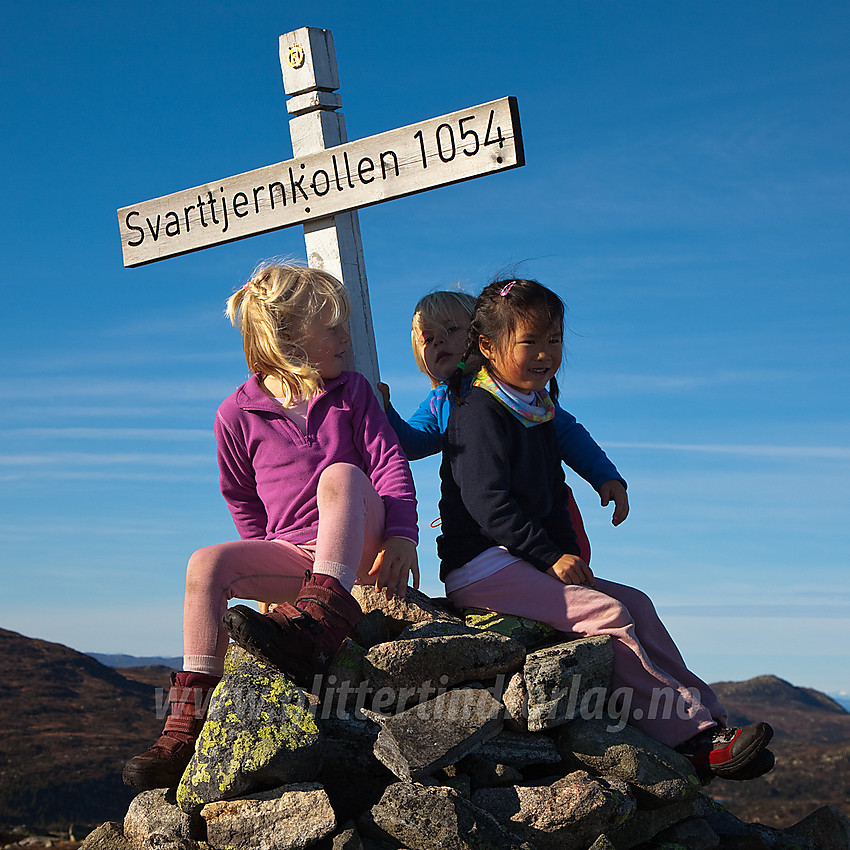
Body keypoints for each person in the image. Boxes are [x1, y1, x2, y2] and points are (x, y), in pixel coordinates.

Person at [437, 278, 773, 782]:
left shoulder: (536, 409)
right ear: (488, 346)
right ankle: (690, 737)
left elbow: (551, 498)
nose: (546, 354)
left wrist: (569, 557)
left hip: (521, 558)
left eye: (554, 340)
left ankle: (714, 722)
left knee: (635, 600)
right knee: (607, 612)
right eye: (530, 342)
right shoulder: (478, 411)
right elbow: (488, 506)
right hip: (481, 566)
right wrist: (550, 557)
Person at [123, 262, 419, 789]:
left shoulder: (352, 392)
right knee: (205, 564)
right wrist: (261, 570)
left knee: (343, 475)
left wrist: (401, 535)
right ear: (286, 336)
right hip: (293, 555)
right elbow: (240, 497)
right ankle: (187, 720)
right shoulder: (234, 414)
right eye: (332, 327)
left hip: (361, 542)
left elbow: (390, 463)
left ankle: (319, 621)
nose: (345, 338)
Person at [377, 290, 629, 563]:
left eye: (451, 329)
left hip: (545, 504)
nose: (439, 341)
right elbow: (411, 443)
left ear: (484, 337)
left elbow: (568, 432)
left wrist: (605, 476)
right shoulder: (440, 401)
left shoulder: (518, 391)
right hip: (488, 516)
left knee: (572, 561)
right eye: (428, 338)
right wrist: (383, 411)